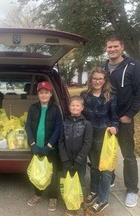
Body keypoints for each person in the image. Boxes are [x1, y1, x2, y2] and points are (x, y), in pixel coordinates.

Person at [102, 34, 140, 207]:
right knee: (107, 152)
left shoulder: (133, 66)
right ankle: (110, 178)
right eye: (109, 47)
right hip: (106, 119)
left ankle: (132, 190)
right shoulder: (103, 67)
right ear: (106, 49)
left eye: (115, 46)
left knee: (128, 156)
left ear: (122, 47)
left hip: (124, 119)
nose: (112, 49)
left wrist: (129, 114)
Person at [81, 67, 119, 214]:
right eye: (94, 78)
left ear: (105, 80)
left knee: (106, 170)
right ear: (91, 80)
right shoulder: (84, 96)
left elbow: (115, 117)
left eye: (100, 79)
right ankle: (94, 190)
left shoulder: (111, 96)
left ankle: (103, 199)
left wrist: (115, 127)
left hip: (105, 136)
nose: (97, 81)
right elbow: (82, 115)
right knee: (94, 167)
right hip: (90, 135)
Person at [25, 81, 62, 212]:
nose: (44, 95)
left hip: (50, 148)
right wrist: (32, 143)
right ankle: (38, 194)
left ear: (51, 94)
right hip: (36, 147)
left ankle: (53, 197)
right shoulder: (33, 108)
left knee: (52, 173)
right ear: (38, 94)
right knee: (37, 172)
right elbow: (28, 126)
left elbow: (58, 128)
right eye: (41, 93)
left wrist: (49, 145)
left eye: (46, 92)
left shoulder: (55, 109)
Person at [58, 96, 93, 216]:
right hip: (67, 160)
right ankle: (69, 204)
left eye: (78, 105)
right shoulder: (64, 123)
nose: (75, 107)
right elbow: (61, 141)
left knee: (80, 181)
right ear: (69, 107)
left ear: (82, 108)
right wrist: (65, 159)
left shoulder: (86, 124)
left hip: (80, 161)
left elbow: (87, 143)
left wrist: (79, 159)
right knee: (67, 182)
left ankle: (78, 204)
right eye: (72, 105)